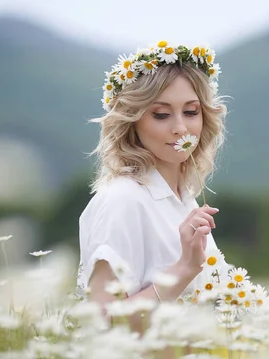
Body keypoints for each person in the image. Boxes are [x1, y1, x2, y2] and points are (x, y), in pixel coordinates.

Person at [76, 42, 228, 332]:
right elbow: (101, 323)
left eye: (191, 111)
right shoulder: (123, 200)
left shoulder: (185, 200)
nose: (181, 128)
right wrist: (183, 269)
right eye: (161, 114)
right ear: (132, 122)